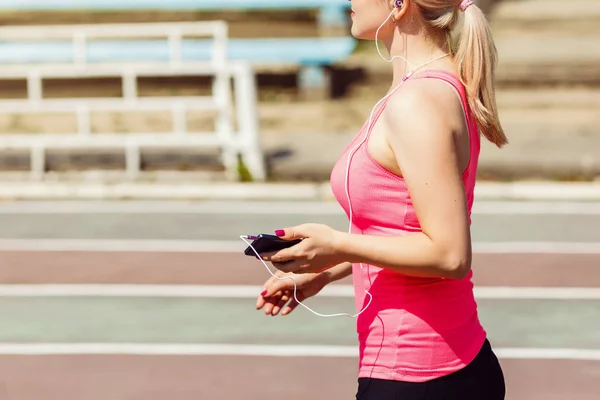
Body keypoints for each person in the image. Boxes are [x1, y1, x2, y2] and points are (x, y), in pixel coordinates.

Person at [255, 0, 507, 399]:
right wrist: (321, 272)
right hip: (443, 366)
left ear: (398, 4)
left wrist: (337, 244)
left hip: (418, 375)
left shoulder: (417, 103)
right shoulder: (425, 87)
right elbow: (402, 227)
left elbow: (450, 254)